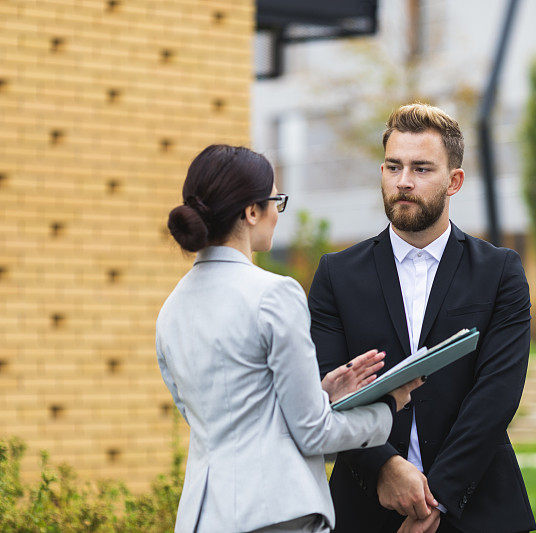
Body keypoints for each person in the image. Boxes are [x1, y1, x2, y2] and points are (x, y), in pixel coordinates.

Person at [156, 144, 422, 533]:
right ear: (251, 211)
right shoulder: (274, 295)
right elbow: (314, 433)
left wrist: (321, 396)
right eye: (275, 200)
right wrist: (386, 405)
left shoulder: (171, 310)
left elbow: (230, 420)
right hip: (275, 514)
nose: (277, 213)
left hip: (204, 518)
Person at [309, 104, 536, 533]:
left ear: (455, 182)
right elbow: (326, 389)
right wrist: (385, 468)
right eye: (393, 166)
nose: (403, 181)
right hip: (364, 507)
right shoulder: (335, 275)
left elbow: (497, 394)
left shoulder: (500, 271)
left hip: (477, 509)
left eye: (421, 168)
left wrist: (438, 500)